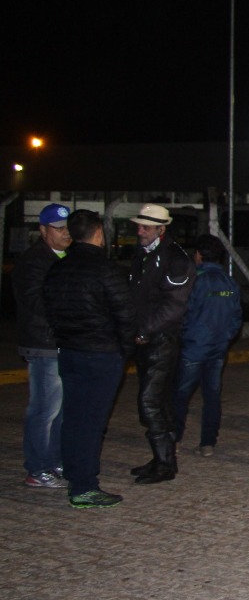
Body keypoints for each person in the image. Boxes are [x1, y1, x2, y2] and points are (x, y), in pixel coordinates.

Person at [43, 209, 136, 509]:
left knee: (73, 417)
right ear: (98, 233)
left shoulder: (58, 269)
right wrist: (124, 351)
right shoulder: (106, 269)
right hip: (100, 354)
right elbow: (125, 315)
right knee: (92, 422)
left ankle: (74, 474)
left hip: (69, 352)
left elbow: (49, 310)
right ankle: (84, 486)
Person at [128, 203, 195, 484]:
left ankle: (165, 463)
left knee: (150, 401)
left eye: (146, 227)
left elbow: (174, 306)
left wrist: (145, 329)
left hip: (162, 339)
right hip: (147, 337)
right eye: (139, 226)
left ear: (161, 229)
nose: (140, 231)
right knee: (159, 401)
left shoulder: (175, 259)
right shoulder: (145, 254)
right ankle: (162, 457)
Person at [13, 203, 72, 489]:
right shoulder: (34, 261)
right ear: (43, 230)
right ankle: (38, 467)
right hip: (44, 343)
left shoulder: (65, 256)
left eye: (67, 229)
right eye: (59, 230)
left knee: (59, 410)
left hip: (60, 341)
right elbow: (35, 302)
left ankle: (54, 461)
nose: (65, 235)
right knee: (44, 408)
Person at [173, 234, 242, 457]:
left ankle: (174, 439)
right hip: (218, 348)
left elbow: (184, 314)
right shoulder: (229, 282)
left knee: (181, 395)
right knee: (212, 396)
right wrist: (224, 338)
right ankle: (208, 443)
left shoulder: (195, 281)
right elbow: (236, 318)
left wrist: (185, 337)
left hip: (194, 346)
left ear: (199, 255)